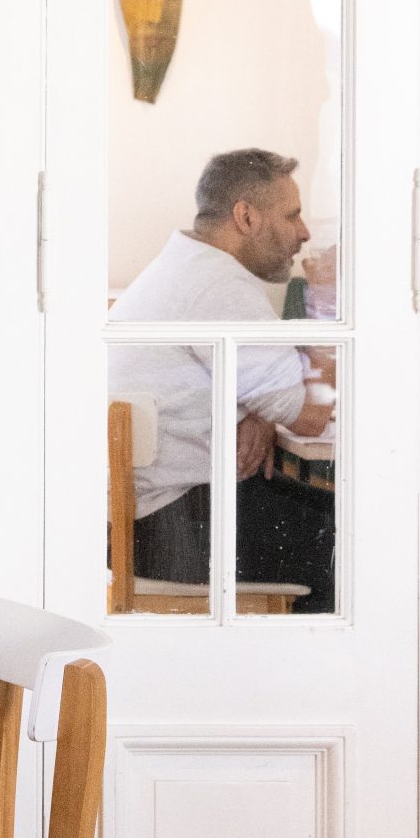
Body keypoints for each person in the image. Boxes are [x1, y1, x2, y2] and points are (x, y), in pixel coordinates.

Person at [109, 149, 335, 611]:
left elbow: (276, 390)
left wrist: (259, 408)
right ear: (246, 216)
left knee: (332, 518)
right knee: (352, 542)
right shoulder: (220, 287)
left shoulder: (188, 266)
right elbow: (313, 416)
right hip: (171, 527)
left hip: (144, 514)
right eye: (292, 215)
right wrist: (325, 301)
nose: (305, 232)